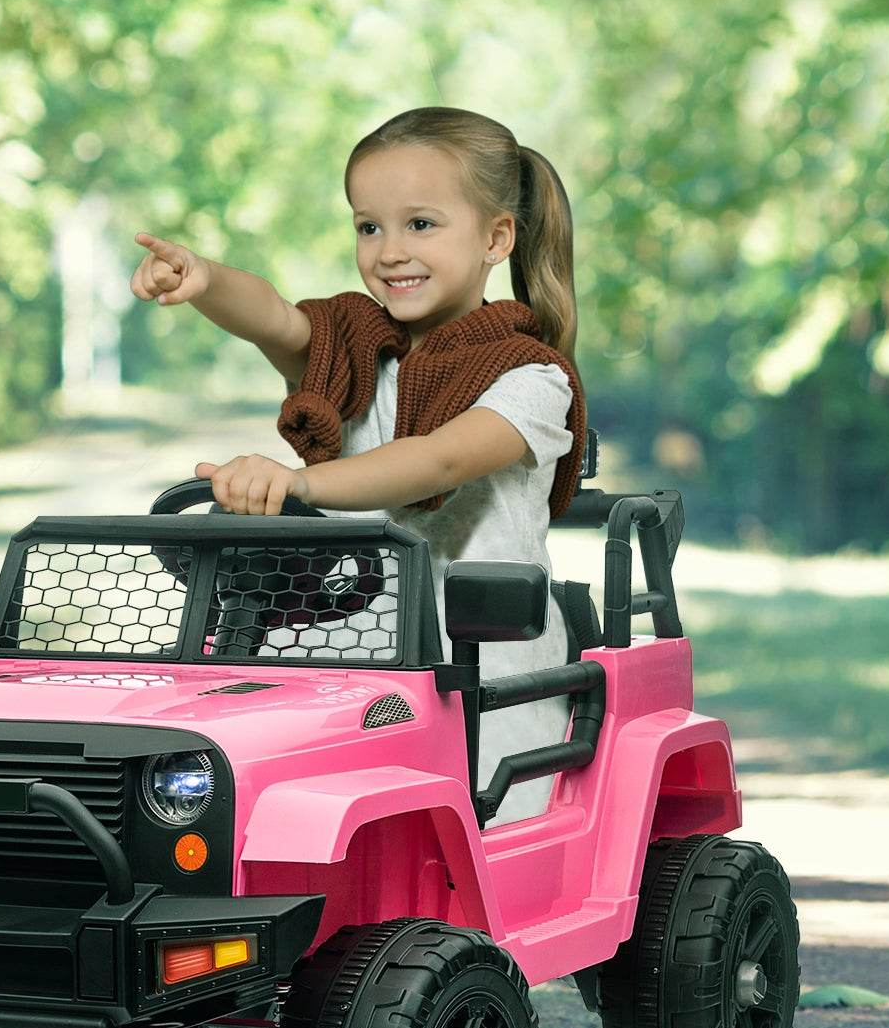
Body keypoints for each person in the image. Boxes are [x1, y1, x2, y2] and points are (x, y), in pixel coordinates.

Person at [127, 105, 587, 826]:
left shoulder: (531, 381)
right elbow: (275, 317)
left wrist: (298, 484)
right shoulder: (352, 348)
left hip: (474, 662)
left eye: (421, 224)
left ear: (497, 236)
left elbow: (433, 462)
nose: (389, 250)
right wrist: (207, 279)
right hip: (335, 646)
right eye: (368, 226)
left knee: (470, 817)